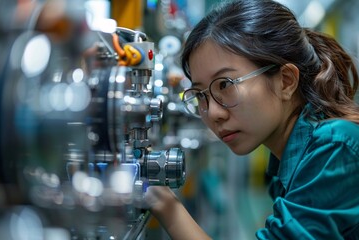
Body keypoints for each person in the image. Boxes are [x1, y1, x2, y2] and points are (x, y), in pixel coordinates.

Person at [144, 0, 359, 239]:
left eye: (225, 85)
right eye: (201, 96)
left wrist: (166, 204)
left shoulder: (334, 148)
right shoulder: (292, 159)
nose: (213, 113)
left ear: (286, 80)